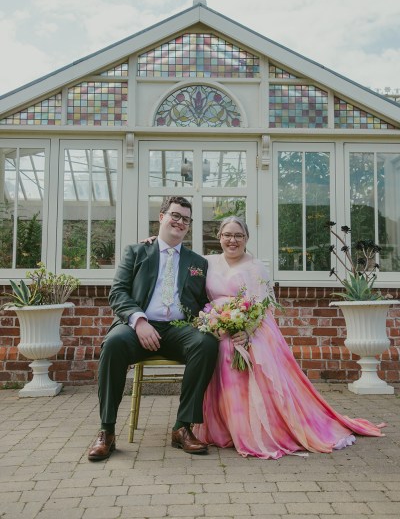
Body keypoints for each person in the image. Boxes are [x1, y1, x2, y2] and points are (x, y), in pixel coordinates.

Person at [192, 216, 384, 459]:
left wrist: (245, 331)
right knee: (213, 348)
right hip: (218, 327)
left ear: (247, 239)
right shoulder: (207, 262)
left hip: (250, 327)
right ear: (219, 237)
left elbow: (262, 306)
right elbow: (178, 262)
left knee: (233, 350)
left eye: (238, 236)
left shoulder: (255, 266)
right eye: (227, 235)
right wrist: (154, 241)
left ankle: (253, 428)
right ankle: (224, 426)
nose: (232, 240)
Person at [88, 196, 219, 461]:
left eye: (186, 219)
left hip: (179, 328)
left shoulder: (198, 262)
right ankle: (107, 430)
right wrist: (139, 321)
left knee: (206, 344)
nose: (180, 222)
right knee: (113, 344)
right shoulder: (136, 252)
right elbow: (117, 293)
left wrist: (218, 320)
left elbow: (204, 300)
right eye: (175, 215)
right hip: (137, 327)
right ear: (161, 217)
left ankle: (183, 427)